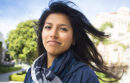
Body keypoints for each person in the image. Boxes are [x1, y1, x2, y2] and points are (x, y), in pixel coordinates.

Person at [24, 1, 121, 83]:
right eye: (48, 27)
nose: (53, 34)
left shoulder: (85, 75)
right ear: (42, 33)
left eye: (63, 29)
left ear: (74, 39)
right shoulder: (31, 73)